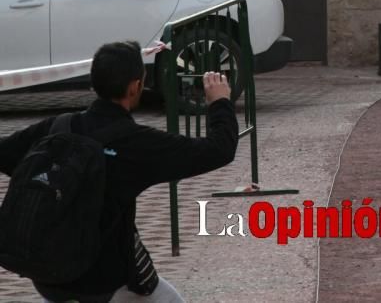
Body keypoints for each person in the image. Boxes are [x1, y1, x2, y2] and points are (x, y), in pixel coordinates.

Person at [0, 41, 238, 303]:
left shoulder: (57, 127)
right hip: (106, 282)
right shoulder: (137, 143)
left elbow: (6, 154)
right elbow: (219, 150)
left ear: (93, 84)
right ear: (135, 86)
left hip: (47, 275)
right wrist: (220, 102)